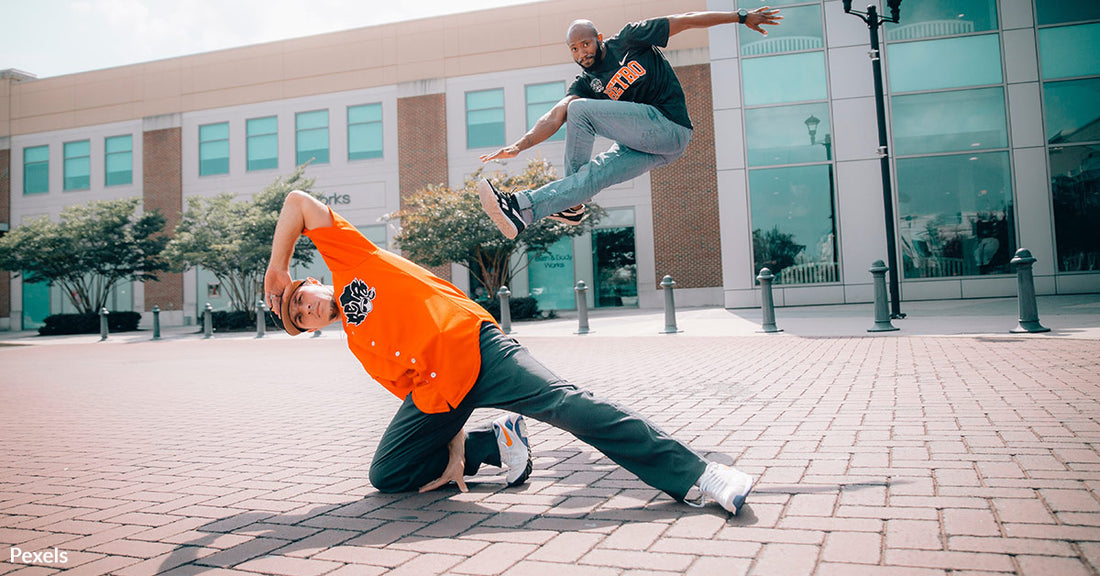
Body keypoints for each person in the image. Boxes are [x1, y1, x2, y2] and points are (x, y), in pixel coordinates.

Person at [263, 191, 754, 513]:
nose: (306, 309)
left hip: (478, 348)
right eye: (299, 316)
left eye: (302, 298)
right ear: (309, 329)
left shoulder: (354, 260)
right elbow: (422, 394)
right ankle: (496, 443)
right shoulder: (359, 345)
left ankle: (702, 474)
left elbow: (298, 203)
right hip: (446, 393)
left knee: (566, 404)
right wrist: (456, 449)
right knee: (387, 473)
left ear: (313, 283)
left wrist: (276, 267)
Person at [477, 7, 782, 238]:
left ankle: (562, 200)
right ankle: (526, 214)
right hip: (655, 149)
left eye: (585, 44)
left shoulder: (630, 39)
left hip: (671, 125)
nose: (581, 53)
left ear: (598, 39)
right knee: (592, 174)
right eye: (574, 49)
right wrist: (519, 145)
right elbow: (555, 115)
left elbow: (686, 19)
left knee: (582, 111)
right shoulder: (586, 82)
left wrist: (740, 17)